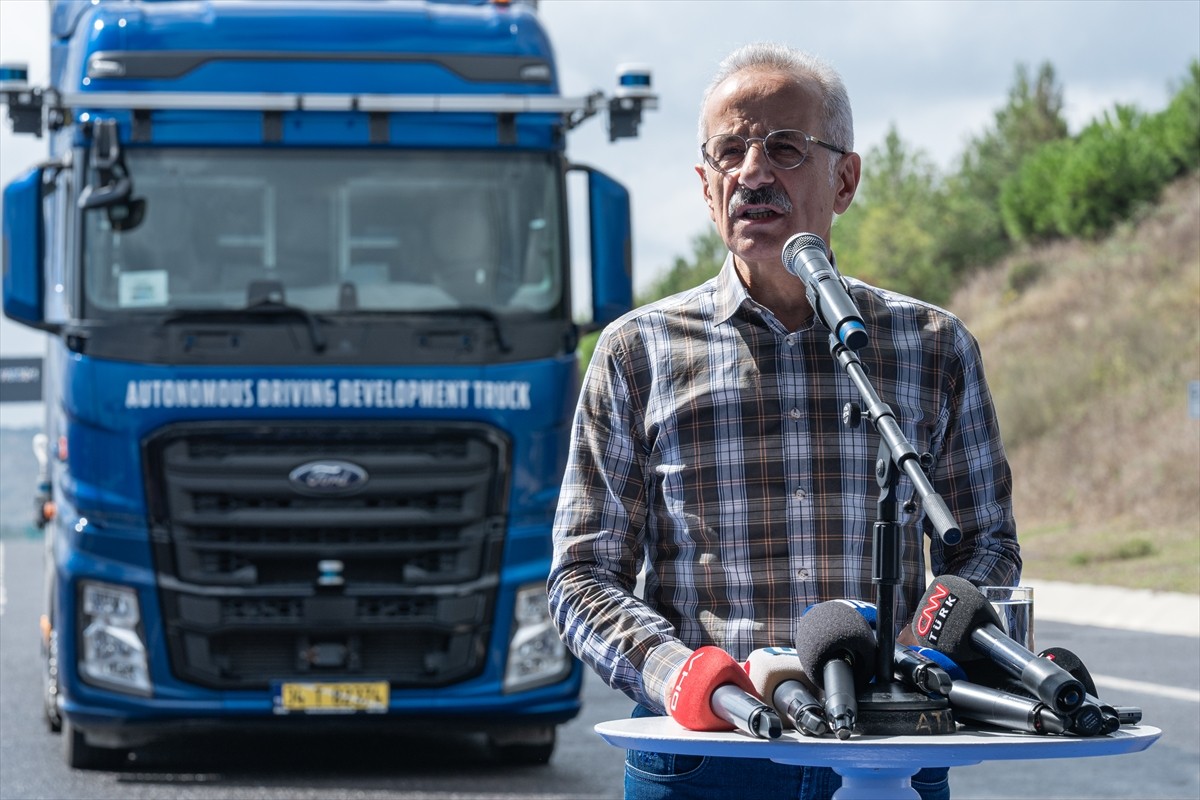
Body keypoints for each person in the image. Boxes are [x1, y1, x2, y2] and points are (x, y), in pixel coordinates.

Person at [548, 42, 1021, 800]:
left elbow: (986, 546)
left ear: (846, 179)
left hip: (890, 754)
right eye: (728, 152)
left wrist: (919, 657)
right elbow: (584, 575)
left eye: (784, 148)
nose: (752, 172)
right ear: (705, 188)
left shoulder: (932, 348)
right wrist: (687, 676)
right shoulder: (635, 353)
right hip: (706, 762)